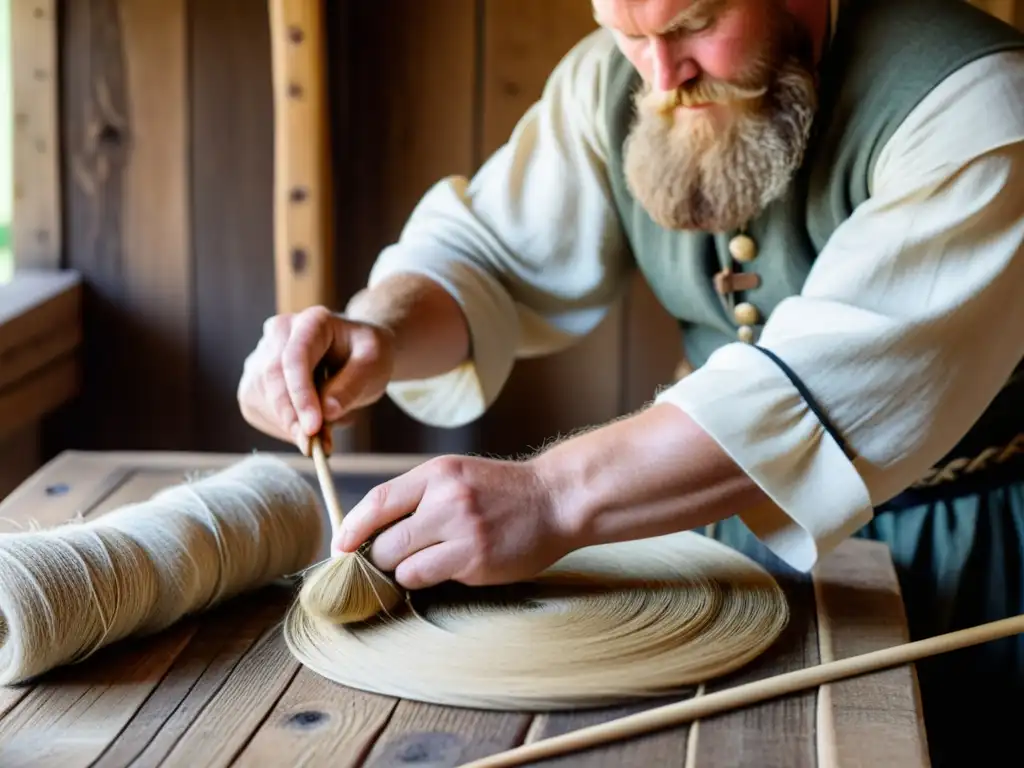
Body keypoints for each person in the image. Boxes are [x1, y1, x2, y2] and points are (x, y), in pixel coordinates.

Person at [238, 0, 1024, 763]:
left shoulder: (981, 107)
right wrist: (380, 331)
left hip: (968, 558)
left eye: (694, 26)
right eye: (624, 33)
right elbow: (488, 255)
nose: (659, 74)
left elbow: (824, 383)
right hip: (722, 545)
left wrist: (546, 497)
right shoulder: (615, 80)